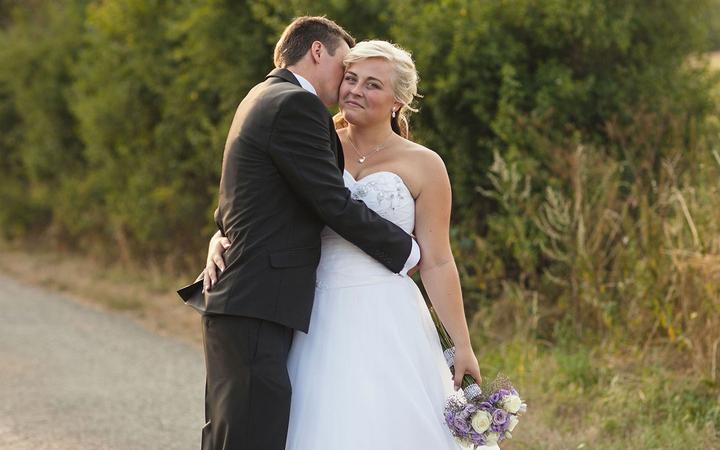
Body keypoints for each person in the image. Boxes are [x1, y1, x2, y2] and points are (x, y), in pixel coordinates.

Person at [206, 40, 493, 449]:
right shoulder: (313, 138)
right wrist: (222, 236)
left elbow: (438, 261)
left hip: (386, 314)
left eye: (373, 84)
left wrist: (462, 343)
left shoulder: (425, 164)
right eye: (351, 78)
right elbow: (257, 198)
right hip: (310, 309)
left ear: (398, 101)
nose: (355, 90)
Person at [181, 17, 423, 450]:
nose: (346, 85)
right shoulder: (297, 104)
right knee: (249, 434)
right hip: (257, 299)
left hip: (250, 297)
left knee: (234, 431)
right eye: (345, 70)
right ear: (317, 51)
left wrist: (222, 234)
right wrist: (406, 251)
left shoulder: (261, 95)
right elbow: (330, 201)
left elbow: (247, 197)